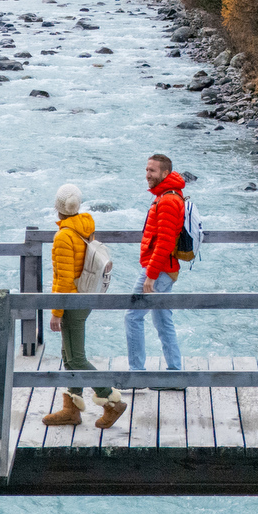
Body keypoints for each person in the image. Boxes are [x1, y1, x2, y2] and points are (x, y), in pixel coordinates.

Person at [44, 183, 126, 428]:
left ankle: (111, 401)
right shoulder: (84, 227)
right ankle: (71, 408)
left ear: (58, 208)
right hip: (85, 296)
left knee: (76, 358)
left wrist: (56, 312)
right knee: (68, 356)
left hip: (72, 301)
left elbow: (64, 278)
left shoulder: (63, 236)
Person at [126, 153, 186, 388]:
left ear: (164, 173)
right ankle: (175, 375)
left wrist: (150, 274)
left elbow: (165, 242)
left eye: (152, 171)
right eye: (147, 170)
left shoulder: (168, 200)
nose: (147, 175)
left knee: (132, 316)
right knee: (162, 319)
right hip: (163, 267)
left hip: (159, 268)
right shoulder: (166, 196)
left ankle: (137, 375)